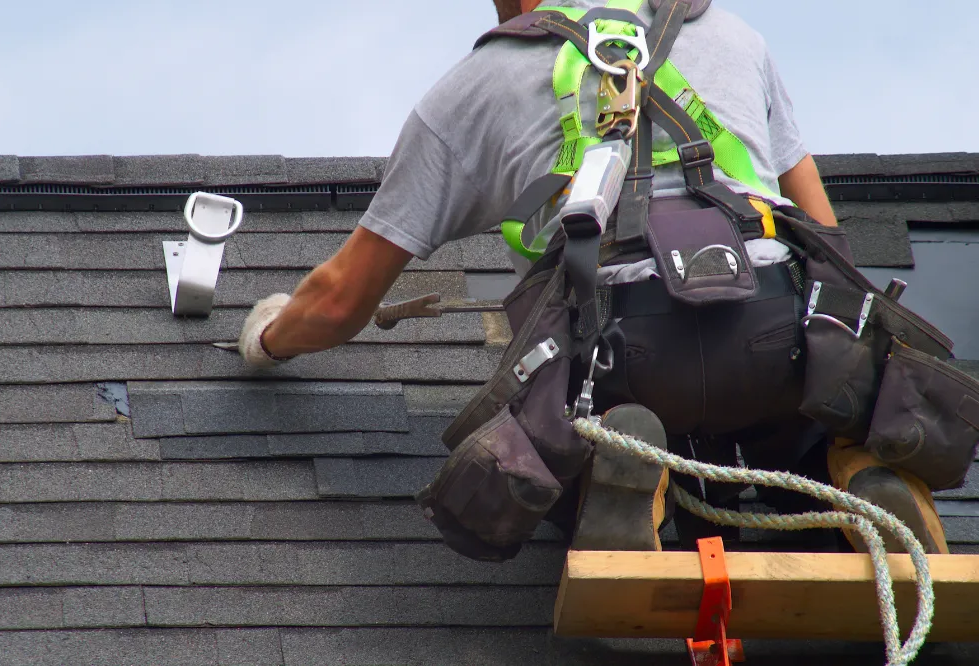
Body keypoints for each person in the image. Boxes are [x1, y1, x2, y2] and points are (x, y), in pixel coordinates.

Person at [235, 0, 950, 556]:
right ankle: (853, 474)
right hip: (778, 338)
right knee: (810, 421)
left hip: (624, 353)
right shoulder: (735, 37)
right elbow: (830, 249)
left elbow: (339, 300)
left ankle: (623, 470)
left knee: (561, 437)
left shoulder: (475, 85)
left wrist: (268, 341)